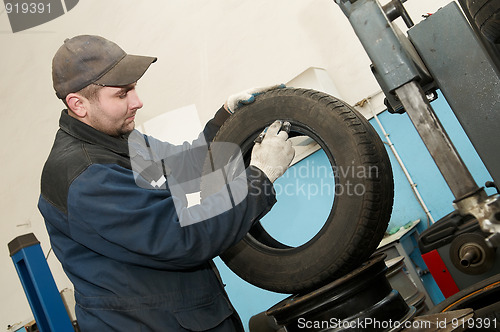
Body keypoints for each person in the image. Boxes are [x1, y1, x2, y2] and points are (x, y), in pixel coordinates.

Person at [38, 34, 295, 331]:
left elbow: (188, 170)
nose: (138, 102)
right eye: (122, 95)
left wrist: (227, 120)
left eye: (134, 88)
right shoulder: (84, 177)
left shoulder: (119, 141)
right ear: (78, 104)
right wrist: (259, 178)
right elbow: (183, 236)